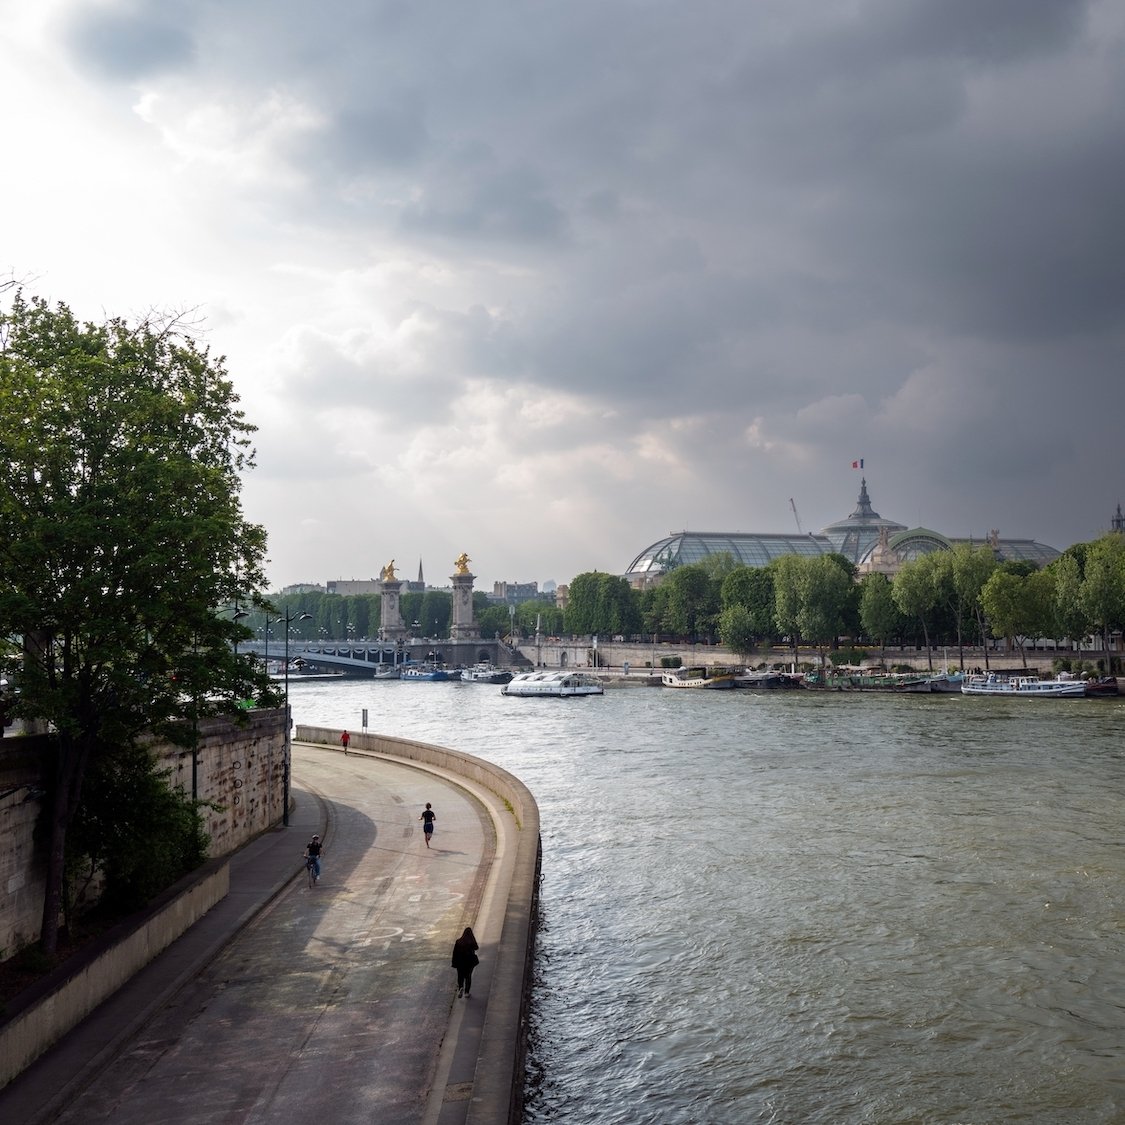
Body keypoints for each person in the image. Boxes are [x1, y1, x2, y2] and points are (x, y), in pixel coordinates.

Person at [451, 926, 479, 998]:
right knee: (468, 977)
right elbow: (476, 947)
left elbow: (455, 953)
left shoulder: (458, 941)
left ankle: (460, 988)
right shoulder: (471, 942)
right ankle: (466, 992)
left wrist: (454, 963)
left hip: (460, 963)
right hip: (469, 963)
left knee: (460, 976)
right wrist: (473, 939)